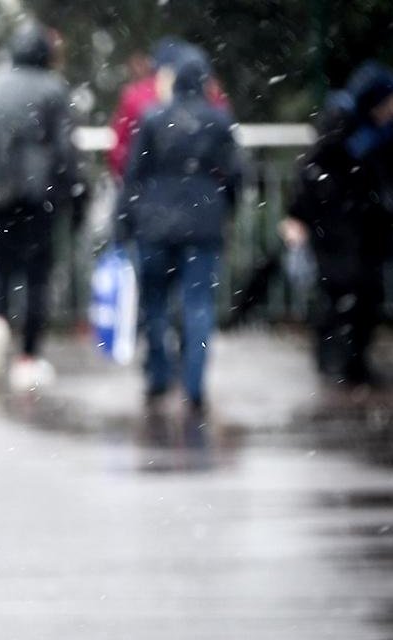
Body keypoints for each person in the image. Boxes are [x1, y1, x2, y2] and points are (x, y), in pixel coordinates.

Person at [282, 63, 393, 384]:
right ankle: (336, 363)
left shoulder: (389, 131)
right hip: (337, 228)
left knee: (366, 297)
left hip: (370, 229)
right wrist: (298, 217)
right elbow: (313, 170)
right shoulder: (343, 124)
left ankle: (354, 363)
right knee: (338, 294)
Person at [117, 48, 241, 414]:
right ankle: (194, 383)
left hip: (155, 225)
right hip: (202, 225)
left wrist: (124, 221)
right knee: (198, 304)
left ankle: (158, 378)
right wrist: (225, 209)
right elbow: (236, 174)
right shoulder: (218, 122)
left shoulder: (153, 118)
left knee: (154, 302)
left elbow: (133, 175)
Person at [0, 21, 85, 391]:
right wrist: (75, 195)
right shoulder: (53, 89)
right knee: (36, 278)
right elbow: (66, 151)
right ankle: (28, 357)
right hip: (39, 197)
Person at [107, 37, 230, 181]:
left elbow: (119, 150)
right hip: (203, 189)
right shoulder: (211, 93)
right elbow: (226, 148)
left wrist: (133, 184)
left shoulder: (135, 96)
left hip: (151, 189)